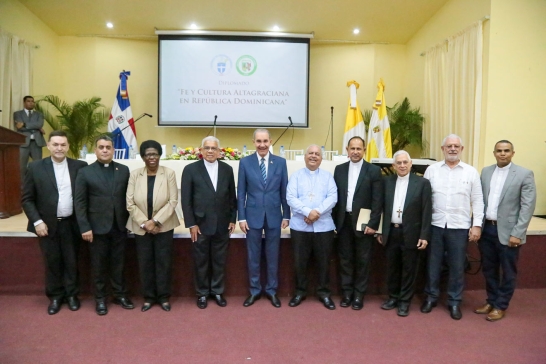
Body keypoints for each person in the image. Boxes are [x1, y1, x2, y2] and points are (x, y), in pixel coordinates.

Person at [21, 130, 87, 315]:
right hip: (46, 225)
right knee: (52, 262)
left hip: (72, 223)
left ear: (68, 147)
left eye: (63, 145)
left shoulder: (80, 166)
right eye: (55, 144)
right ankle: (56, 296)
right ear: (48, 146)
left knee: (72, 261)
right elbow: (27, 199)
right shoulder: (35, 168)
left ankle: (72, 295)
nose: (59, 148)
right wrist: (37, 221)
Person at [421, 134, 484, 320]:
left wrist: (477, 225)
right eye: (449, 146)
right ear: (443, 149)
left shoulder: (471, 172)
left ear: (462, 149)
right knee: (433, 264)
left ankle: (454, 301)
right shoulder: (431, 170)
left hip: (459, 227)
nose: (453, 149)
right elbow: (423, 200)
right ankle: (431, 297)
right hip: (435, 225)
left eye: (456, 146)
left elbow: (478, 201)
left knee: (457, 267)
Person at [474, 140, 536, 321]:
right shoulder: (486, 172)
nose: (502, 154)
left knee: (508, 271)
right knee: (489, 269)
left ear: (513, 153)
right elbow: (479, 200)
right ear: (494, 153)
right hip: (487, 230)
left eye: (506, 151)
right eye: (499, 151)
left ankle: (501, 305)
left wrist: (518, 232)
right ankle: (491, 301)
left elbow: (527, 206)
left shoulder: (524, 174)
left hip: (509, 232)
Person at [74, 135, 134, 315]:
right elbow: (80, 202)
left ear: (113, 149)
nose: (105, 150)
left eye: (108, 147)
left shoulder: (123, 170)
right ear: (95, 150)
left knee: (119, 264)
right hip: (96, 228)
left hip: (119, 226)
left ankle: (120, 294)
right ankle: (100, 299)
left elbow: (128, 197)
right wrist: (84, 227)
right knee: (99, 265)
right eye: (101, 147)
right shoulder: (85, 172)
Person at [181, 136, 237, 309]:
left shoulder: (227, 169)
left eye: (214, 148)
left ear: (220, 152)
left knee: (219, 260)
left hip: (222, 224)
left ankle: (218, 291)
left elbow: (231, 197)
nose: (210, 151)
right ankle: (202, 293)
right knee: (201, 261)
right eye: (207, 148)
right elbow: (186, 199)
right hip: (200, 225)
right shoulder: (190, 169)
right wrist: (191, 224)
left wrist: (232, 218)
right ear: (201, 150)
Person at [237, 129, 290, 308]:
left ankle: (272, 291)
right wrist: (241, 217)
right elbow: (241, 192)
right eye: (258, 141)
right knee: (253, 255)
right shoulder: (245, 162)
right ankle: (254, 290)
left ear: (270, 141)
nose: (262, 145)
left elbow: (284, 191)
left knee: (273, 255)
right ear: (253, 142)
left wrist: (287, 214)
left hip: (275, 215)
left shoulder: (281, 163)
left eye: (265, 141)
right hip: (252, 216)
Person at [126, 140, 180, 312]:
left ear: (159, 155)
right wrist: (144, 223)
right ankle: (148, 297)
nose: (152, 157)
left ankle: (163, 297)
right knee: (145, 263)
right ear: (142, 157)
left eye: (155, 154)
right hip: (141, 227)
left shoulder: (169, 173)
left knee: (163, 262)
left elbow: (172, 201)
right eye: (148, 154)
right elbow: (130, 202)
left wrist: (155, 221)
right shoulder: (135, 175)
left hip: (163, 226)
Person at [376, 150, 432, 317]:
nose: (402, 165)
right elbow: (380, 208)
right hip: (391, 231)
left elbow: (426, 211)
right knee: (392, 267)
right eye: (398, 163)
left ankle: (404, 301)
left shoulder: (422, 183)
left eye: (405, 162)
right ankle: (393, 297)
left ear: (410, 164)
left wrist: (424, 235)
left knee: (409, 269)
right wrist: (380, 230)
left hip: (412, 233)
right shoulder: (386, 182)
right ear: (393, 166)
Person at [333, 136, 383, 310]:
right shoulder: (339, 170)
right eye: (352, 148)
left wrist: (374, 224)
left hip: (364, 223)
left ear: (364, 151)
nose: (355, 152)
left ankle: (359, 295)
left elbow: (378, 201)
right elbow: (335, 198)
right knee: (345, 259)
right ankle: (347, 293)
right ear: (347, 150)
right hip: (343, 221)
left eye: (358, 149)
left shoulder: (374, 171)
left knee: (363, 260)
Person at [286, 145, 338, 310]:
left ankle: (324, 293)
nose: (313, 156)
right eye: (310, 153)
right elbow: (291, 197)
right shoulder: (296, 176)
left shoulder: (328, 177)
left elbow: (333, 197)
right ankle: (300, 292)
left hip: (324, 227)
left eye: (317, 154)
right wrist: (308, 212)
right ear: (305, 156)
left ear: (321, 158)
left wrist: (317, 213)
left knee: (323, 263)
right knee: (300, 263)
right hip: (300, 227)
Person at [14, 96, 46, 184]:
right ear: (24, 103)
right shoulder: (18, 113)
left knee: (38, 166)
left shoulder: (39, 114)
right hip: (23, 143)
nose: (31, 103)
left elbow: (39, 124)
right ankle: (22, 187)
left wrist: (24, 124)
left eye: (32, 101)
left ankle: (38, 185)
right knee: (22, 167)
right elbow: (19, 128)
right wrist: (37, 128)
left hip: (36, 142)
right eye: (28, 101)